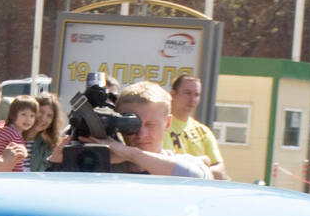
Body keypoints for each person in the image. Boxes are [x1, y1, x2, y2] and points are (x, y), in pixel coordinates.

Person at [73, 81, 212, 178]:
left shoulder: (184, 163)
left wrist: (131, 154)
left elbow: (199, 176)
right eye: (133, 125)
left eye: (150, 124)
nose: (141, 134)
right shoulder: (98, 165)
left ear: (168, 123)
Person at [168, 74, 227, 179]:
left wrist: (194, 172)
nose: (192, 99)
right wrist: (201, 166)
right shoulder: (162, 126)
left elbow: (219, 169)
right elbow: (168, 163)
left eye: (196, 94)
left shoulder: (203, 131)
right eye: (187, 93)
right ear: (173, 94)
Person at [0, 95, 38, 172]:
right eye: (23, 114)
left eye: (32, 116)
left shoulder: (5, 128)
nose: (28, 119)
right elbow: (17, 163)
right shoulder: (14, 136)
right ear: (13, 114)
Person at [28, 93, 64, 173]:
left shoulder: (48, 147)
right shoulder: (11, 135)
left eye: (49, 116)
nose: (43, 119)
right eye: (41, 112)